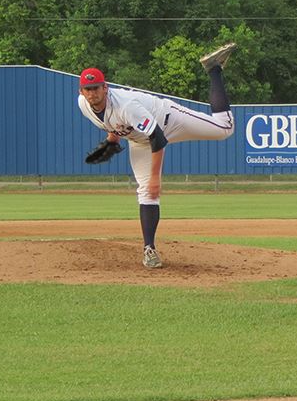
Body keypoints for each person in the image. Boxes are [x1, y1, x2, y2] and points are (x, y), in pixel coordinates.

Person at [77, 43, 237, 269]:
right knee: (145, 194)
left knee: (225, 128)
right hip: (139, 140)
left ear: (106, 88)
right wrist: (111, 142)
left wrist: (155, 178)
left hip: (167, 121)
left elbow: (158, 138)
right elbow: (112, 122)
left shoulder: (127, 106)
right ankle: (149, 249)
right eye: (88, 88)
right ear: (81, 91)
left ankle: (213, 69)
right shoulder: (83, 105)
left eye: (96, 87)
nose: (92, 93)